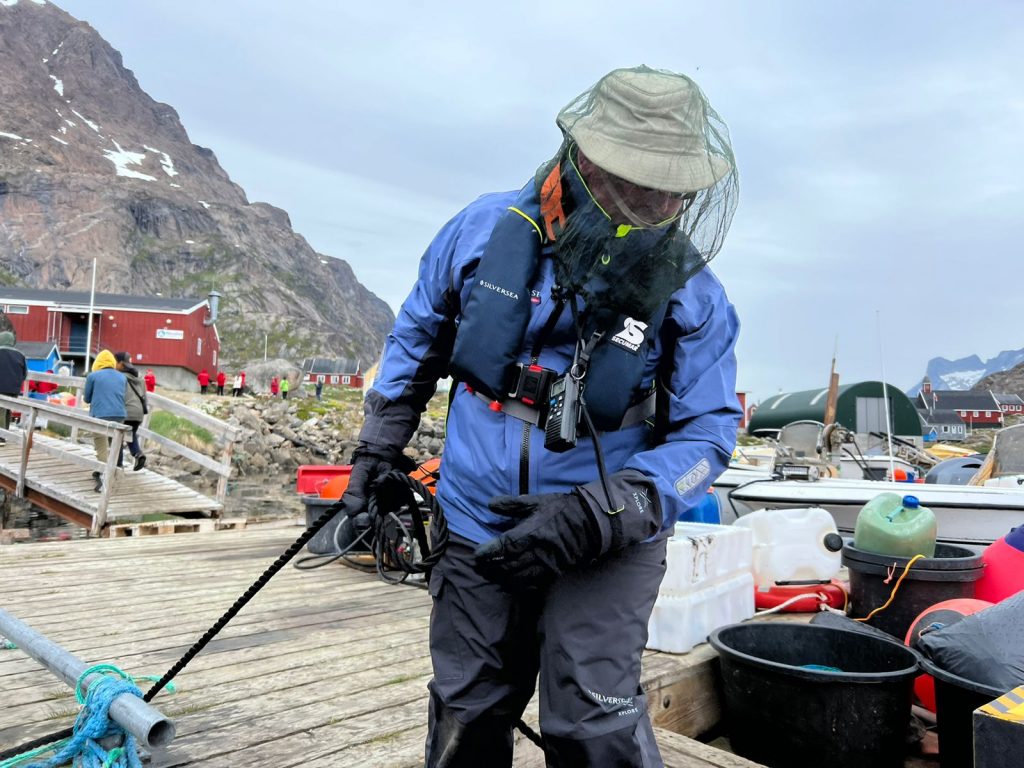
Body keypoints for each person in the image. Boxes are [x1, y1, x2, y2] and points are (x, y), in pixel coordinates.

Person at [341, 66, 741, 767]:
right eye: (641, 182)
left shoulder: (696, 298)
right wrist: (377, 449)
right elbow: (416, 336)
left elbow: (708, 437)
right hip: (473, 521)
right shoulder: (480, 230)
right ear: (586, 161)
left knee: (594, 723)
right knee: (468, 711)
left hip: (604, 538)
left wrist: (610, 511)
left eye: (674, 188)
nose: (660, 201)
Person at [84, 350, 127, 492]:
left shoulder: (93, 376)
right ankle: (114, 473)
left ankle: (104, 478)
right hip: (119, 415)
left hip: (100, 415)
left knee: (101, 446)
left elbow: (87, 399)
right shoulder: (122, 378)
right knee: (114, 445)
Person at [114, 352, 148, 471]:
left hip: (126, 411)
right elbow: (144, 396)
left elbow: (117, 395)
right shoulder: (140, 378)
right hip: (138, 413)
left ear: (120, 363)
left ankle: (118, 465)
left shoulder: (119, 377)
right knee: (131, 434)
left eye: (115, 361)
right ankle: (138, 454)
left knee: (118, 438)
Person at [0, 331, 28, 439]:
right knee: (7, 410)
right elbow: (25, 374)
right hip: (14, 389)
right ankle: (5, 435)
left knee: (1, 410)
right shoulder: (20, 355)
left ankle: (1, 437)